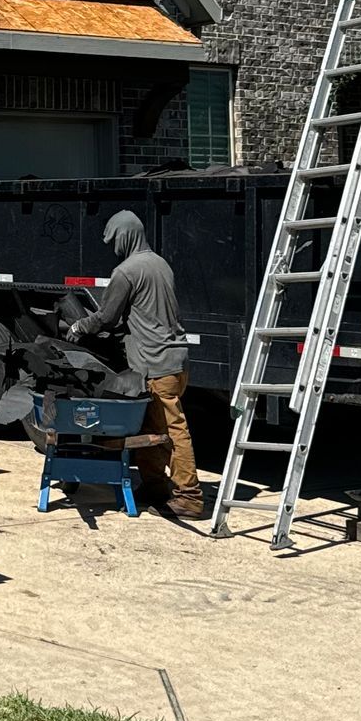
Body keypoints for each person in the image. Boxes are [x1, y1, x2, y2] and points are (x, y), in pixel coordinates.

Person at [65, 210, 202, 518]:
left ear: (125, 236)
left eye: (115, 240)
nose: (114, 247)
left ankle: (189, 496)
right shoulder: (160, 264)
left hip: (157, 364)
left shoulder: (126, 271)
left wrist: (79, 327)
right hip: (177, 361)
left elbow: (106, 317)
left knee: (173, 429)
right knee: (151, 427)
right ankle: (154, 488)